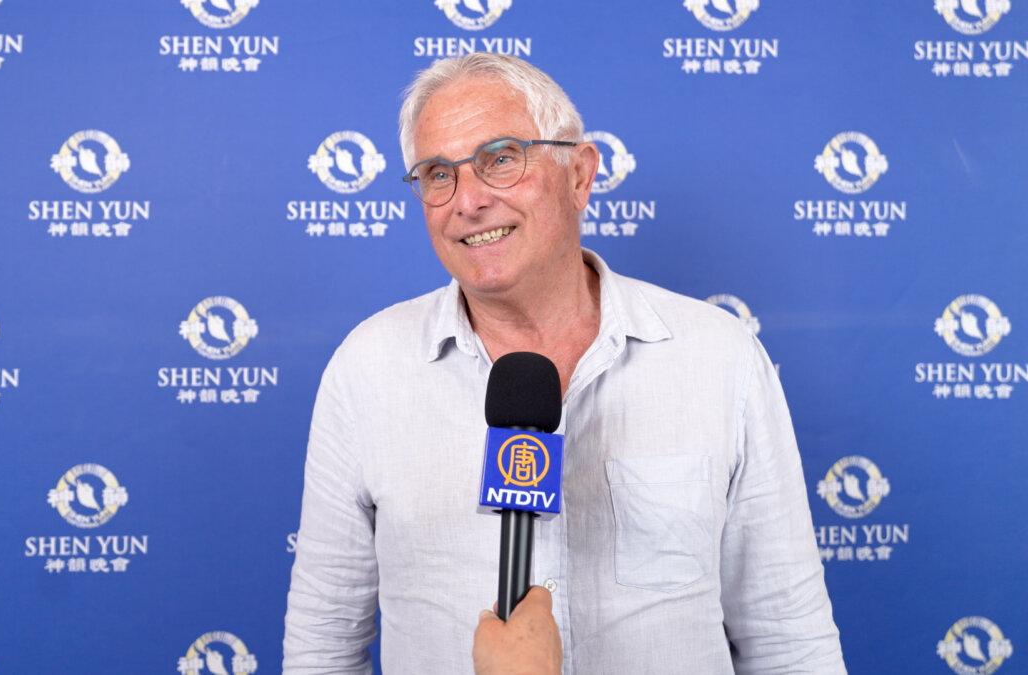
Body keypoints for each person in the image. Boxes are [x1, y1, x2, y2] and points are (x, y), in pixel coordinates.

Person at [284, 53, 845, 674]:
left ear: (579, 174)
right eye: (438, 174)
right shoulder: (367, 370)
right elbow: (322, 646)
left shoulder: (719, 356)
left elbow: (789, 639)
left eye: (500, 158)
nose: (468, 201)